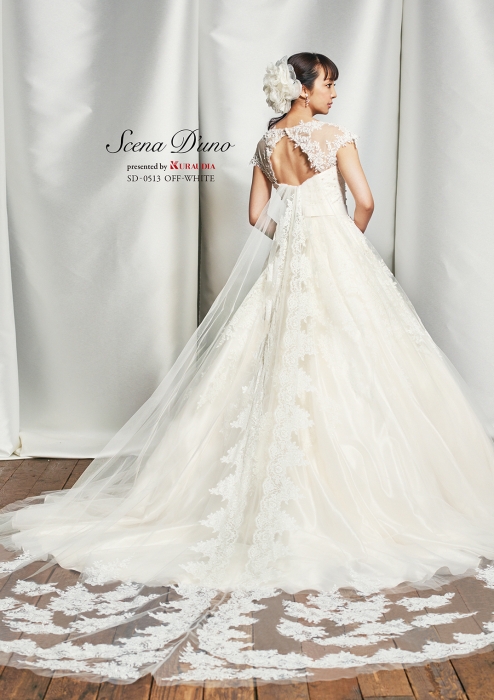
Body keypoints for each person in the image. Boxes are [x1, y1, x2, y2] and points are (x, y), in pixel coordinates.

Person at [0, 51, 494, 687]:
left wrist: (296, 240)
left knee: (269, 368)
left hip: (287, 269)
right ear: (304, 88)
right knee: (358, 370)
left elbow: (258, 217)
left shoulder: (266, 143)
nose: (335, 93)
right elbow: (366, 203)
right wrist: (342, 242)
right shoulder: (333, 137)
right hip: (338, 264)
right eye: (329, 82)